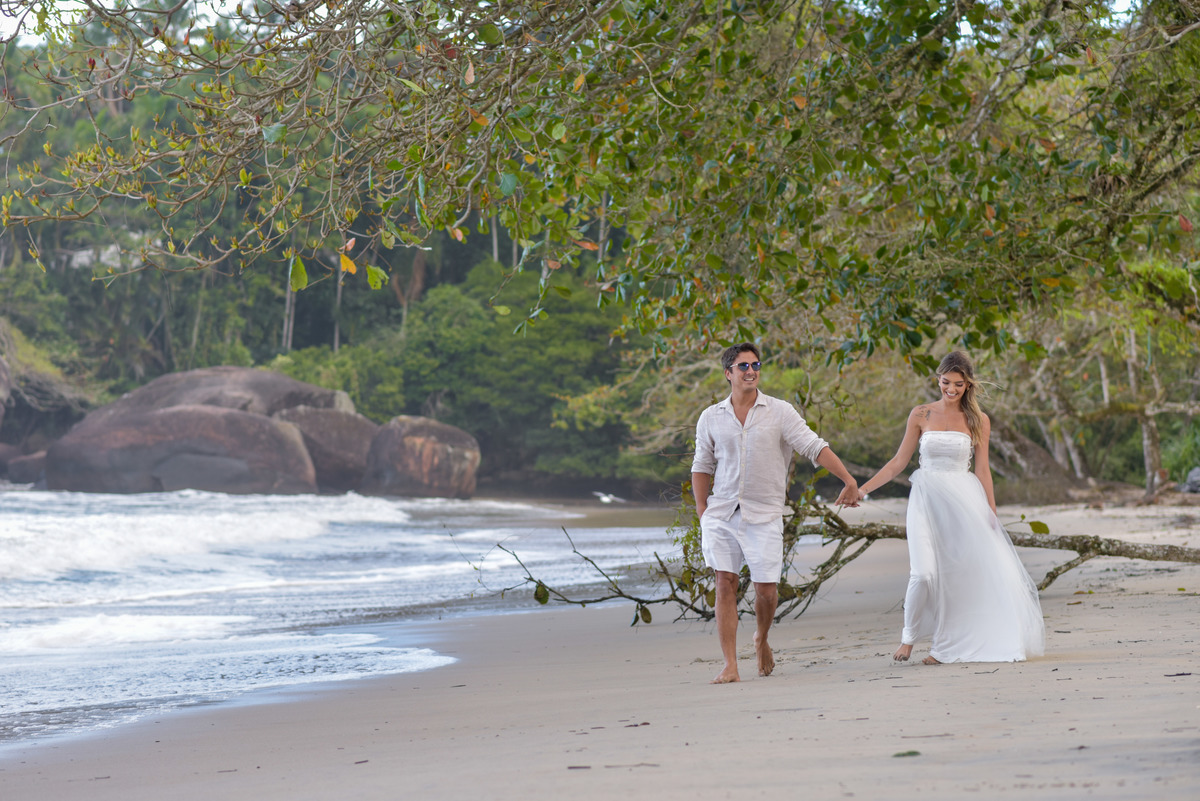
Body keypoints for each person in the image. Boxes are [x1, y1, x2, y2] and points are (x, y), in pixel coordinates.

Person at [855, 351, 1045, 664]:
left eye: (959, 384)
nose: (952, 389)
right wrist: (862, 490)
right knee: (924, 574)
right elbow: (898, 463)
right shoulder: (921, 414)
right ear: (938, 380)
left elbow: (982, 471)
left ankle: (943, 649)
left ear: (968, 385)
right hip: (925, 499)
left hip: (963, 501)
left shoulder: (978, 420)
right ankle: (908, 638)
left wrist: (991, 513)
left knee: (957, 576)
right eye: (946, 382)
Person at [691, 343, 859, 684]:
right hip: (722, 513)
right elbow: (702, 465)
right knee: (725, 582)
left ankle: (762, 638)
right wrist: (702, 511)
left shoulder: (780, 411)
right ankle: (730, 665)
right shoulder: (710, 417)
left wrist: (848, 479)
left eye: (756, 364)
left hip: (764, 514)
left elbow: (814, 446)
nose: (751, 370)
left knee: (766, 590)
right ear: (728, 373)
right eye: (743, 366)